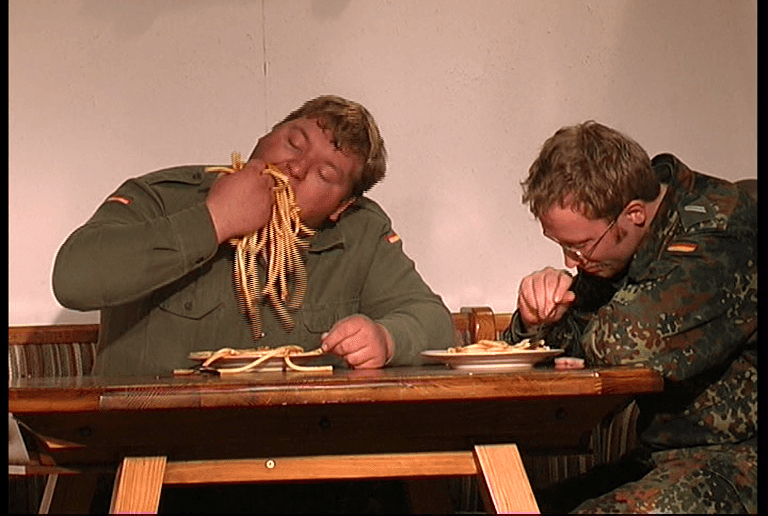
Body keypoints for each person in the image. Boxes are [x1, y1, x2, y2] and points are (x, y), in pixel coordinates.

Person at [52, 95, 454, 377]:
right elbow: (73, 279)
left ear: (341, 206)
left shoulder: (359, 232)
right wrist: (214, 220)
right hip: (152, 442)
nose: (296, 167)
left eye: (325, 174)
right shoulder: (163, 198)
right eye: (293, 142)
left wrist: (386, 339)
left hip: (299, 452)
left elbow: (433, 321)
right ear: (266, 136)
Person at [502, 121, 757, 514]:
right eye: (562, 246)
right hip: (667, 459)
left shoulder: (721, 230)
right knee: (518, 508)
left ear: (634, 214)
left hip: (739, 459)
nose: (571, 262)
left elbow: (622, 344)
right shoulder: (613, 244)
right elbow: (565, 347)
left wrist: (578, 331)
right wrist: (538, 318)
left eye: (579, 246)